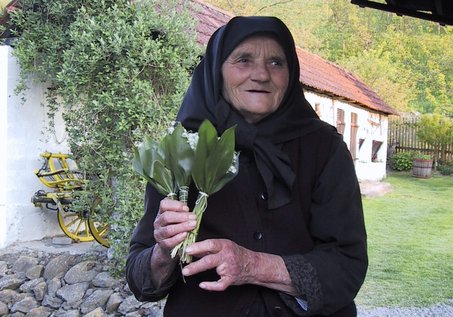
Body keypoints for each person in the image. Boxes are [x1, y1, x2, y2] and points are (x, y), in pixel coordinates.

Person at [126, 16, 368, 317]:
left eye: (276, 63)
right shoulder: (183, 149)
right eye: (243, 60)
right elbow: (140, 280)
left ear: (291, 74)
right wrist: (164, 251)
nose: (261, 75)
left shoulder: (324, 149)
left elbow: (347, 264)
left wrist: (252, 266)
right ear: (216, 71)